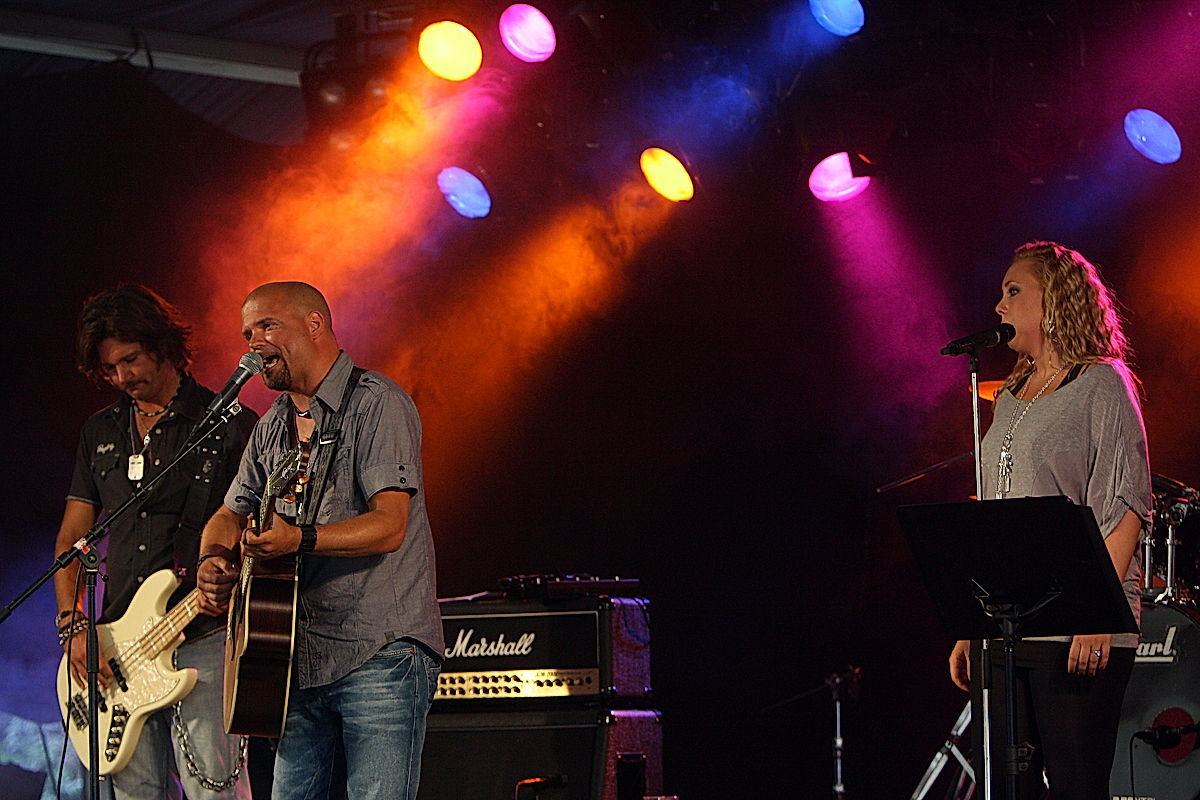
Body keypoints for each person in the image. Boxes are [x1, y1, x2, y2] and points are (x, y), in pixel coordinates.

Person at [195, 281, 443, 800]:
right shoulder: (271, 426)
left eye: (267, 326)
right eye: (246, 332)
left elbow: (389, 524)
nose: (253, 343)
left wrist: (299, 538)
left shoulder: (379, 404)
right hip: (296, 658)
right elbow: (226, 513)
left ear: (315, 325)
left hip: (380, 648)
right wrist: (213, 561)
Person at [947, 242, 1150, 800]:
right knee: (1008, 788)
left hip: (1075, 625)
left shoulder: (1102, 384)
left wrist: (1095, 615)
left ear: (1055, 302)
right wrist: (973, 622)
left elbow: (1126, 505)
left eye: (1014, 292)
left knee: (1075, 785)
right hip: (1007, 623)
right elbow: (993, 518)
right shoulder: (1010, 396)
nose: (998, 306)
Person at [53, 284, 258, 799]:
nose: (122, 377)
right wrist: (74, 625)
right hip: (117, 646)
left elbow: (257, 531)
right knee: (136, 793)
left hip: (204, 635)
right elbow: (73, 538)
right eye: (111, 368)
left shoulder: (230, 427)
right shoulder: (98, 432)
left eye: (131, 359)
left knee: (214, 791)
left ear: (163, 345)